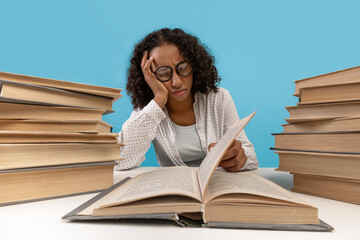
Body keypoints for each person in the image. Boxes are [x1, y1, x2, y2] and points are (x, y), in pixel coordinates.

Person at [116, 28, 258, 172]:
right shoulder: (149, 110)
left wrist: (239, 158)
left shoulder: (219, 98)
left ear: (194, 65)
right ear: (149, 77)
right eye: (164, 73)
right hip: (174, 190)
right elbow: (120, 160)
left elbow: (251, 157)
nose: (176, 82)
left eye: (183, 68)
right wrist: (159, 98)